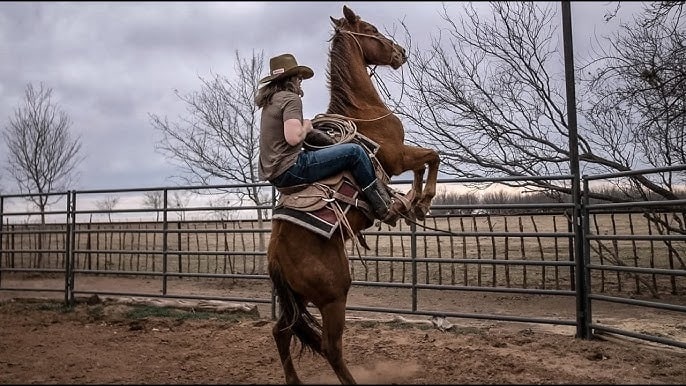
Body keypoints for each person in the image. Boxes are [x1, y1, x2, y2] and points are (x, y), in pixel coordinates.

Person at [255, 53, 406, 226]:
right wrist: (307, 126)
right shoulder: (291, 99)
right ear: (291, 79)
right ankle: (384, 207)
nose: (300, 82)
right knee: (355, 152)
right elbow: (293, 137)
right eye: (298, 78)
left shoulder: (271, 101)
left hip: (276, 175)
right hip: (292, 169)